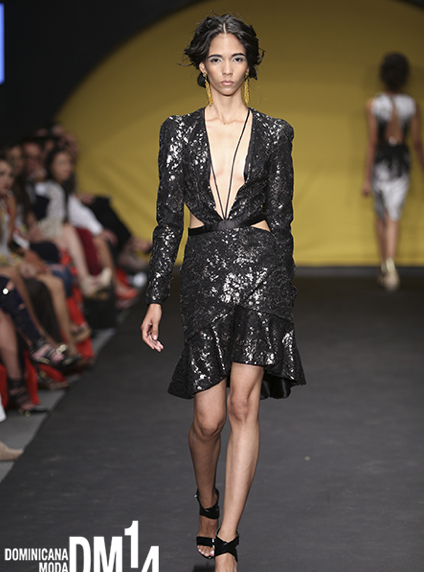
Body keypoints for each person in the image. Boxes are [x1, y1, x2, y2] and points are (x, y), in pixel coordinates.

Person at [141, 14, 305, 571]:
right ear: (201, 65)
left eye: (237, 58)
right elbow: (168, 219)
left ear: (250, 63)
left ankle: (228, 543)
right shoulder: (178, 131)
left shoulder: (276, 132)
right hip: (204, 273)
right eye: (217, 58)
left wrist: (283, 296)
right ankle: (207, 503)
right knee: (208, 420)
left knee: (241, 405)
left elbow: (281, 220)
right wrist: (156, 295)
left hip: (260, 273)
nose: (228, 69)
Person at [362, 53, 424, 291]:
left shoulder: (374, 104)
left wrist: (366, 179)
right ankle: (389, 266)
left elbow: (373, 142)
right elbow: (416, 142)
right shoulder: (412, 105)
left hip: (380, 162)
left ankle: (386, 266)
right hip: (400, 163)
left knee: (381, 214)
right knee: (392, 213)